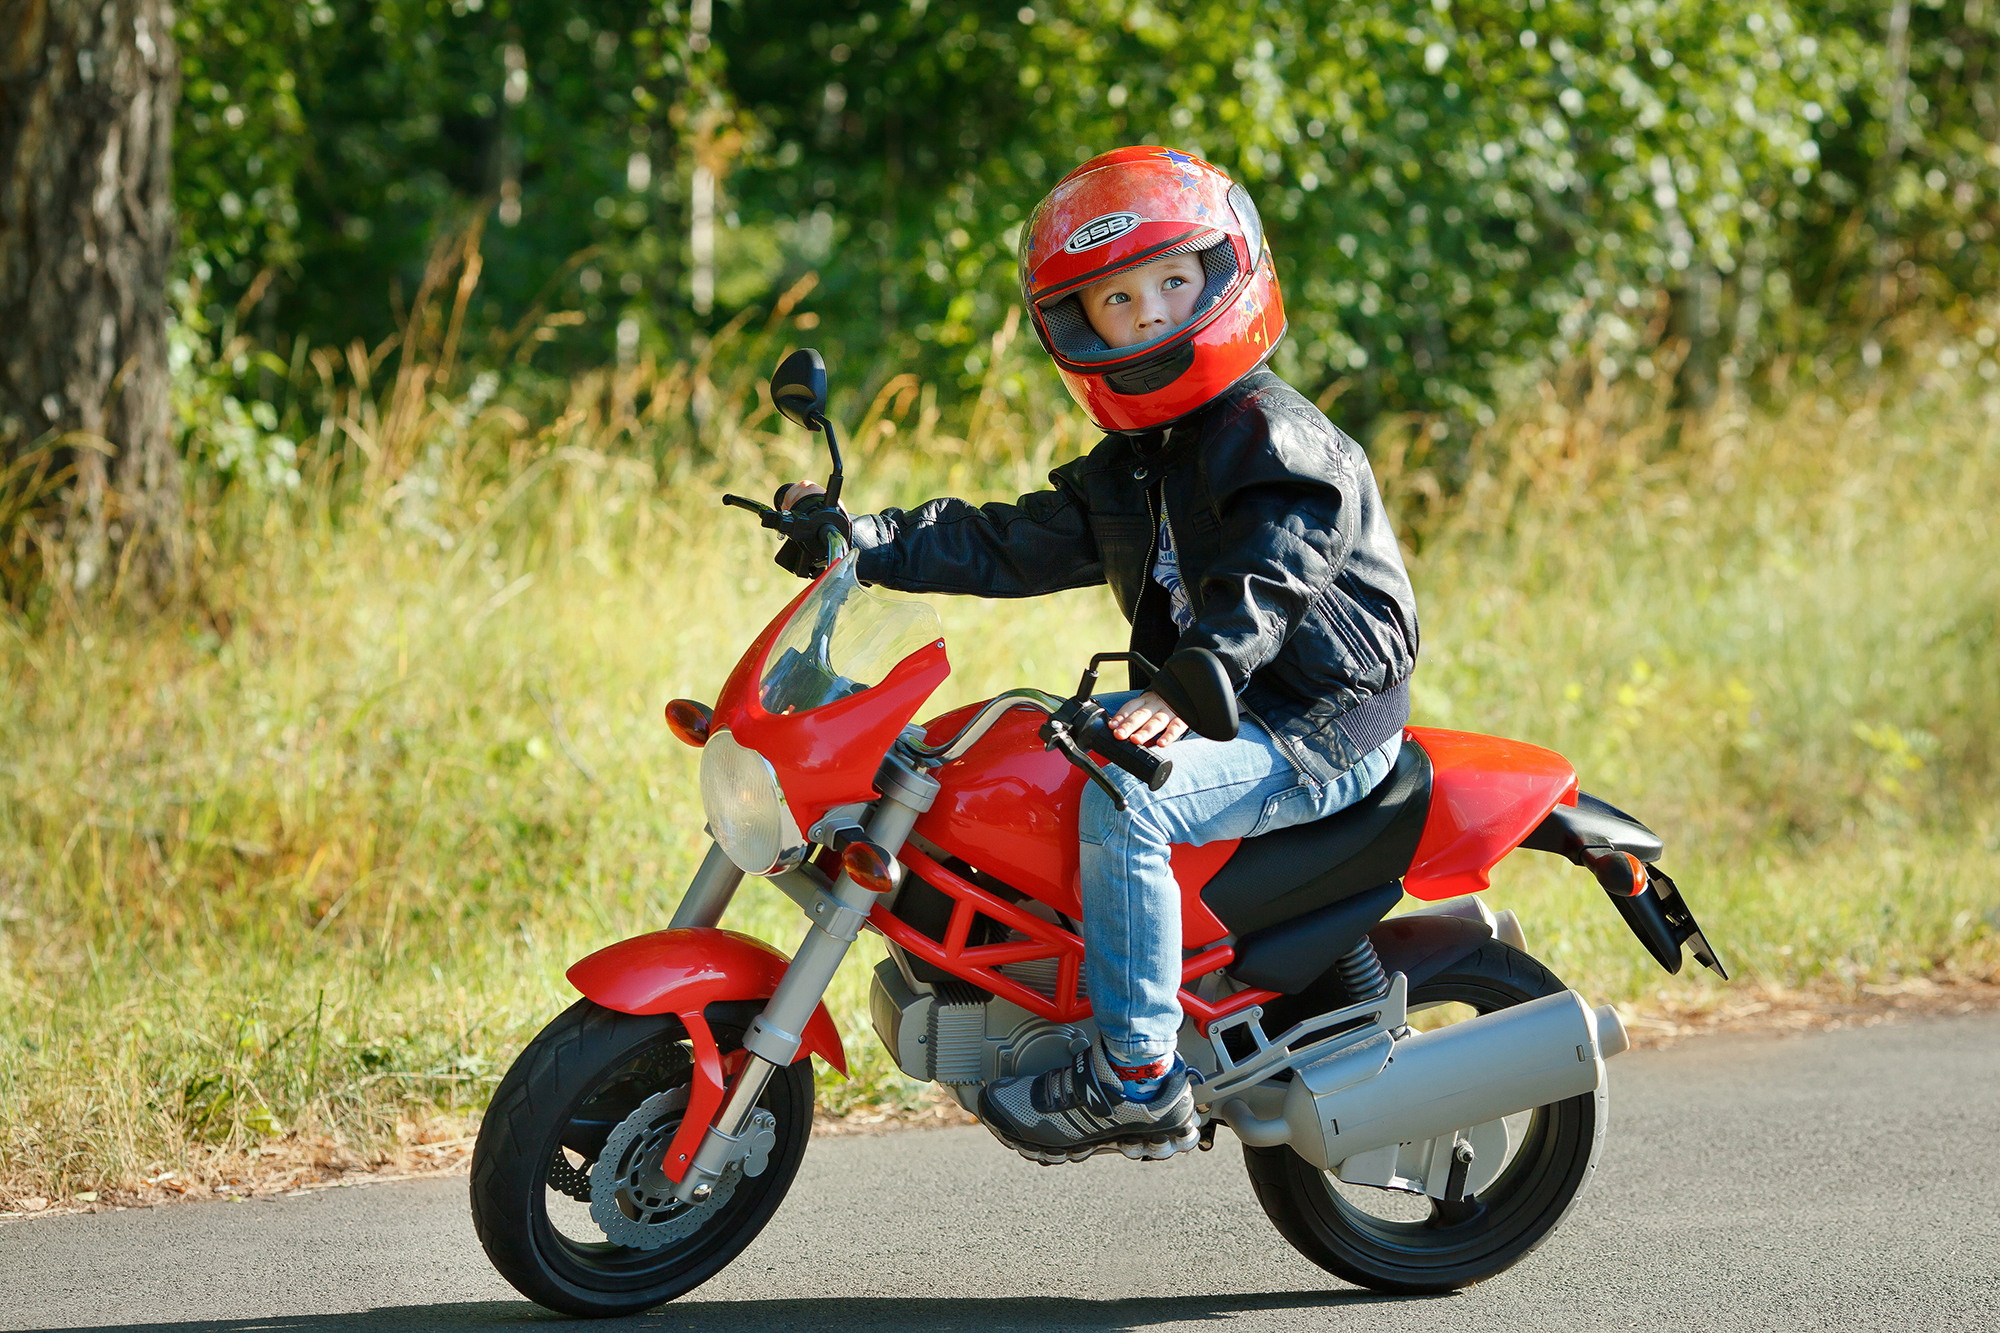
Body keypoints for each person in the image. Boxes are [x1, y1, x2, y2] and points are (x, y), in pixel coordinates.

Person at [779, 146, 1419, 1161]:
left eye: (1174, 281)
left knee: (1127, 798)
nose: (1154, 312)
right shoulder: (1137, 463)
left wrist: (1189, 679)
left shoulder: (1277, 439)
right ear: (1079, 325)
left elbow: (1272, 574)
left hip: (1314, 722)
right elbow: (1010, 536)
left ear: (1226, 274)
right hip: (1233, 702)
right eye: (1120, 299)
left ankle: (1136, 1076)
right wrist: (868, 542)